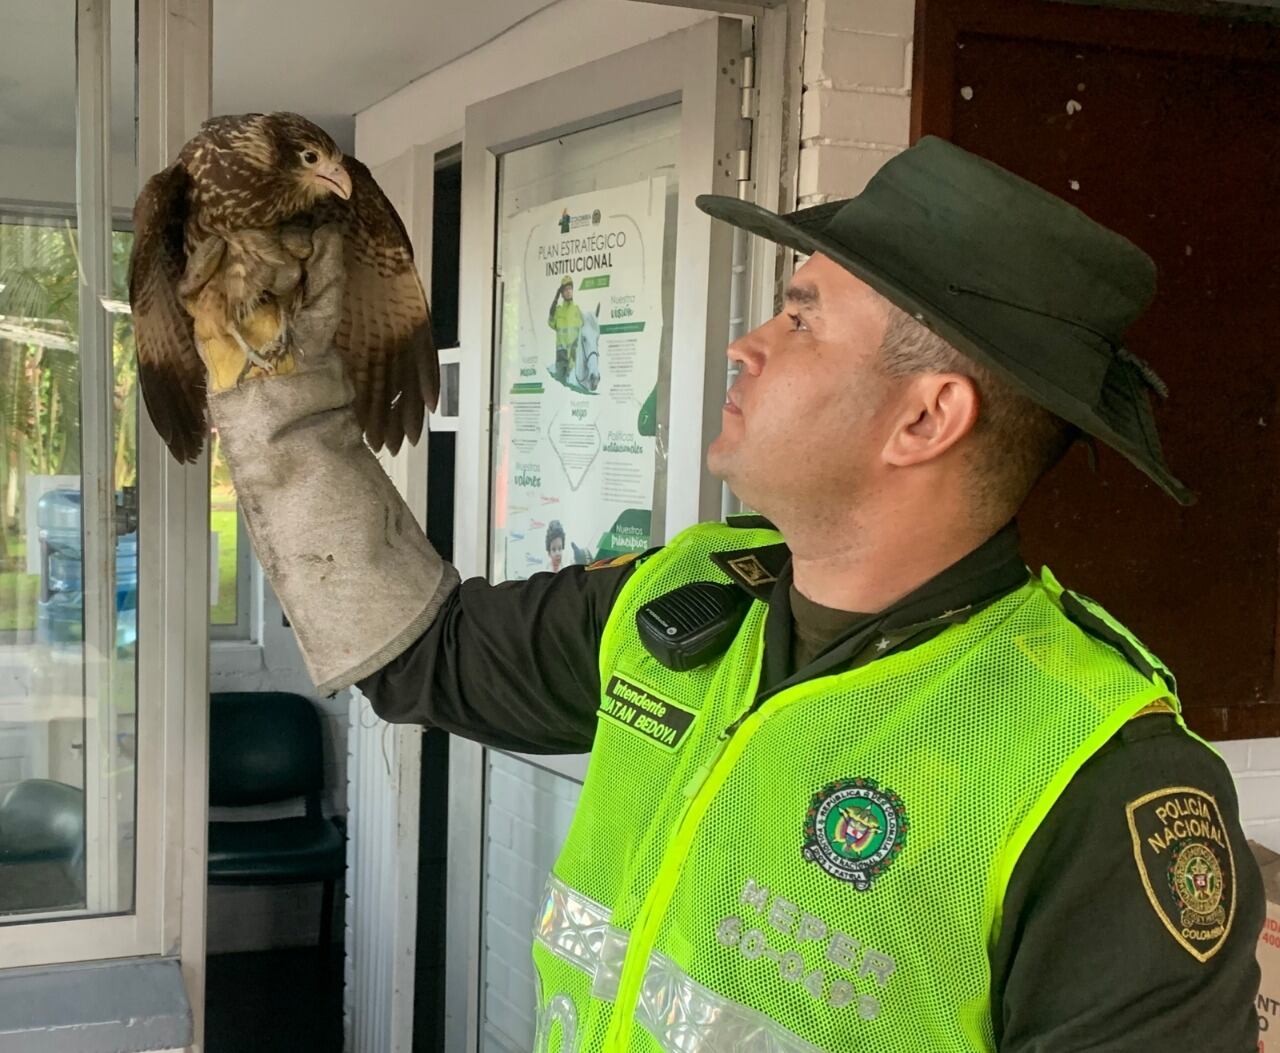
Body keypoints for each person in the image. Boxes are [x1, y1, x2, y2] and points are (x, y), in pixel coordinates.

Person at [203, 136, 1262, 1051]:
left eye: (799, 320)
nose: (743, 344)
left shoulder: (1097, 779)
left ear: (925, 420)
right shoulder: (695, 600)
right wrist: (272, 387)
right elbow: (413, 651)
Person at [549, 274, 584, 383]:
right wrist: (555, 300)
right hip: (561, 357)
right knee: (560, 388)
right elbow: (550, 322)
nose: (568, 291)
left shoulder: (577, 310)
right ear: (562, 293)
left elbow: (584, 331)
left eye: (570, 289)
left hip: (575, 357)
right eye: (565, 289)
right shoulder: (558, 311)